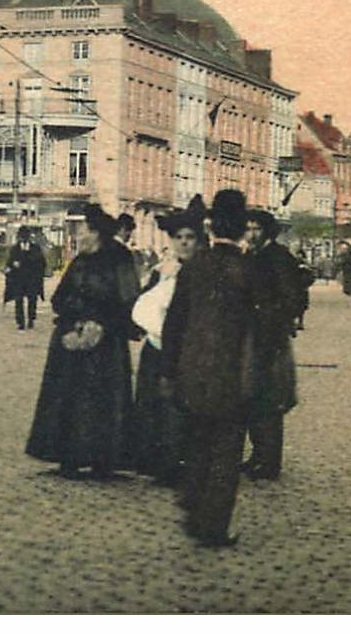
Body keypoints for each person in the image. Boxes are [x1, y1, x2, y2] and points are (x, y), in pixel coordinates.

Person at [161, 189, 256, 548]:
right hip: (232, 374)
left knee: (197, 439)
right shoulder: (248, 270)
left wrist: (169, 370)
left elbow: (175, 322)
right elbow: (262, 327)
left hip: (193, 369)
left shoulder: (196, 265)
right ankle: (213, 524)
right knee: (226, 451)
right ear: (243, 228)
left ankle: (192, 504)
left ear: (211, 226)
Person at [26, 203, 140, 480]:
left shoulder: (119, 258)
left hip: (105, 341)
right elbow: (59, 297)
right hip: (70, 337)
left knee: (102, 399)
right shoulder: (80, 260)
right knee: (68, 397)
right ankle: (68, 455)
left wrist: (101, 324)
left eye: (84, 230)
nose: (79, 235)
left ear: (97, 232)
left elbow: (128, 298)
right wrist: (71, 322)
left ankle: (103, 457)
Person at [131, 197, 205, 486]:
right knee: (154, 404)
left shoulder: (203, 271)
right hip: (157, 345)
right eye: (179, 238)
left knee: (183, 406)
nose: (184, 243)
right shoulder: (161, 271)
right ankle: (157, 461)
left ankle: (182, 463)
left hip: (189, 348)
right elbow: (142, 305)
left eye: (190, 238)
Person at [242, 209, 306, 480]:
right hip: (253, 336)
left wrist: (271, 315)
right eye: (249, 228)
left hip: (271, 338)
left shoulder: (277, 257)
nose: (252, 233)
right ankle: (258, 454)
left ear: (267, 231)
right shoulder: (251, 256)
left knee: (270, 399)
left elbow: (293, 298)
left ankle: (270, 462)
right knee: (253, 397)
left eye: (257, 229)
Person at [4, 226, 47, 330]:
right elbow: (9, 262)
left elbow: (42, 263)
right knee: (18, 300)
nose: (23, 238)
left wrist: (30, 262)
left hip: (31, 279)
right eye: (22, 236)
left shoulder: (35, 248)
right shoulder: (15, 249)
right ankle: (20, 322)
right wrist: (12, 265)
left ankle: (31, 320)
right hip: (18, 279)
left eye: (25, 236)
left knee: (32, 300)